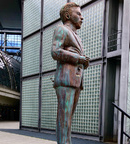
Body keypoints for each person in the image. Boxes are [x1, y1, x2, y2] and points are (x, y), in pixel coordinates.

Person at [51, 2, 89, 144]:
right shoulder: (61, 29)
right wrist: (79, 58)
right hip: (66, 79)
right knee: (64, 119)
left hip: (75, 80)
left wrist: (83, 61)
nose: (82, 17)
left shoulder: (76, 36)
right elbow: (55, 52)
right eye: (78, 14)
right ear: (68, 16)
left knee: (68, 119)